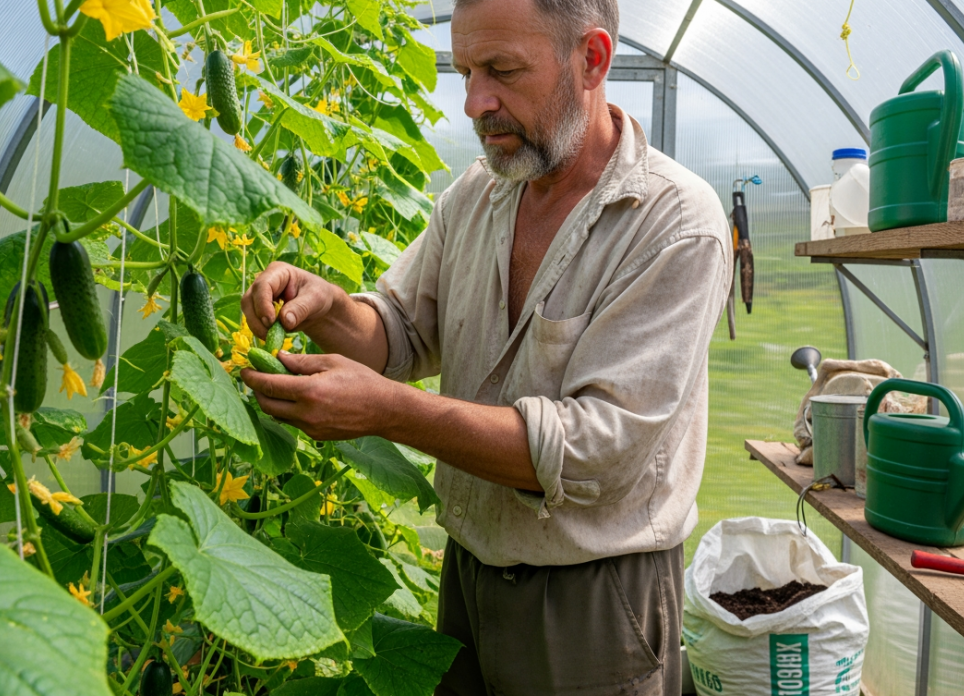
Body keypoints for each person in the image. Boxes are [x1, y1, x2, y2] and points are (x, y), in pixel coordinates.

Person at [240, 0, 731, 692]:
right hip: (468, 573)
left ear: (591, 59)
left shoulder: (675, 223)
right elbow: (401, 330)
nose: (475, 102)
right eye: (467, 69)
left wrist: (388, 413)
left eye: (502, 70)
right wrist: (328, 308)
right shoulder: (478, 193)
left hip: (593, 600)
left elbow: (595, 448)